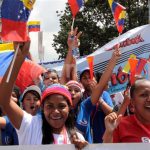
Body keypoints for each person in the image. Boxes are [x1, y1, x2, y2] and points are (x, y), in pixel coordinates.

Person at [0, 41, 88, 149]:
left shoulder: (77, 137)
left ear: (69, 108)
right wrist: (18, 59)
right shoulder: (30, 125)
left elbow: (70, 72)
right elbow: (4, 98)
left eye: (61, 106)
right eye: (49, 106)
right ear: (42, 107)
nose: (55, 111)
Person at [103, 78, 150, 143]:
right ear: (132, 102)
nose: (149, 99)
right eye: (144, 95)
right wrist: (109, 133)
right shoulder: (120, 125)